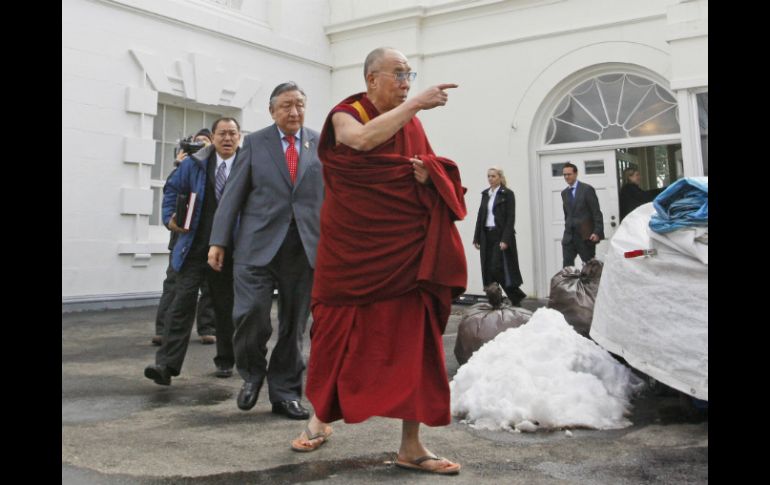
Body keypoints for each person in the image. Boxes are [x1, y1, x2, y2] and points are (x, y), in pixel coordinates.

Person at [290, 47, 465, 476]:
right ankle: (320, 419)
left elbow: (430, 171)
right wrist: (416, 103)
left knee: (414, 347)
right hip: (351, 253)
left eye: (409, 74)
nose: (406, 81)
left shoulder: (412, 124)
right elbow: (360, 142)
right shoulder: (345, 113)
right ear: (371, 78)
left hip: (402, 257)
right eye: (398, 74)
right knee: (337, 337)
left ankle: (411, 446)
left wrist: (429, 174)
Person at [208, 82, 324, 420]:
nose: (294, 112)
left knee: (294, 324)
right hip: (256, 245)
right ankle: (252, 372)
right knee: (250, 316)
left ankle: (285, 392)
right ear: (272, 111)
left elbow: (332, 196)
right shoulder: (255, 143)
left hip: (302, 247)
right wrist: (219, 241)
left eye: (300, 104)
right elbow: (233, 194)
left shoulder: (319, 143)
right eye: (286, 106)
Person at [143, 118, 240, 385]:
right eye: (222, 133)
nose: (227, 138)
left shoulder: (248, 165)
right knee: (180, 304)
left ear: (239, 136)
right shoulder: (193, 164)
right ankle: (165, 366)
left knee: (225, 307)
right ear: (214, 136)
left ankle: (225, 360)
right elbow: (172, 189)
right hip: (194, 247)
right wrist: (169, 217)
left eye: (233, 133)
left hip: (230, 250)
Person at [153, 129, 217, 346]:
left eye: (205, 142)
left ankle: (207, 328)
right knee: (173, 284)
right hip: (181, 238)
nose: (200, 146)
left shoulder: (216, 166)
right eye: (196, 143)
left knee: (210, 287)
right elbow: (170, 190)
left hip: (208, 237)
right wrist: (178, 165)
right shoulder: (185, 166)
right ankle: (163, 329)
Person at [472, 167, 526, 306]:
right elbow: (480, 216)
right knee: (488, 269)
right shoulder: (485, 194)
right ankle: (495, 300)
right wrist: (476, 237)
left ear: (500, 178)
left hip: (500, 235)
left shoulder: (507, 194)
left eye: (493, 176)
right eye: (488, 176)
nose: (490, 179)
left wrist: (505, 239)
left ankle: (515, 296)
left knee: (496, 268)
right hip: (486, 235)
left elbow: (510, 218)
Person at [561, 162, 604, 268]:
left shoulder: (587, 189)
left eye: (569, 174)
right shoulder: (564, 193)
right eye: (564, 175)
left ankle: (591, 285)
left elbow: (596, 212)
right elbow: (567, 214)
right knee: (567, 268)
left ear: (575, 174)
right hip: (569, 237)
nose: (566, 177)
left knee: (589, 268)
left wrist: (597, 232)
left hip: (585, 236)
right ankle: (569, 285)